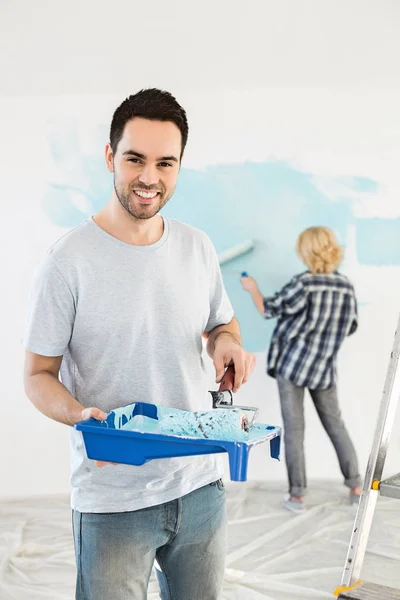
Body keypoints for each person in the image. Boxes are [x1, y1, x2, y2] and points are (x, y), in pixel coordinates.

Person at [23, 88, 256, 600]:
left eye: (164, 163)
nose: (149, 178)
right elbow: (37, 375)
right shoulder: (68, 261)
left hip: (201, 484)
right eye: (135, 159)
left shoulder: (197, 246)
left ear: (178, 167)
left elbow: (223, 326)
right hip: (113, 499)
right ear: (110, 157)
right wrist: (81, 414)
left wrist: (226, 345)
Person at [240, 226, 361, 513]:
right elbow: (351, 326)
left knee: (294, 431)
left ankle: (297, 496)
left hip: (292, 366)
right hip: (324, 368)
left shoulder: (303, 284)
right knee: (336, 425)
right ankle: (356, 487)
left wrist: (252, 288)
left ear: (307, 251)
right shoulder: (345, 286)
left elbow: (269, 309)